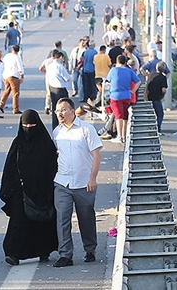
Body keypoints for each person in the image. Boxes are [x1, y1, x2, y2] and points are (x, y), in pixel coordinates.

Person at [0, 109, 59, 266]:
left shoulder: (46, 144)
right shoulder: (18, 144)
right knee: (18, 222)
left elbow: (53, 166)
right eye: (25, 125)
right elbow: (10, 168)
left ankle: (43, 250)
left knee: (43, 223)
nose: (28, 128)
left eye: (32, 125)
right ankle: (13, 253)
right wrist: (8, 190)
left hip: (44, 191)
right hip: (22, 191)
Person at [51, 98, 102, 268]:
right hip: (62, 182)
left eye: (64, 109)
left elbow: (96, 155)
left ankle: (90, 249)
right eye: (58, 110)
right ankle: (65, 254)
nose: (60, 113)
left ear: (72, 111)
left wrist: (93, 178)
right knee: (62, 218)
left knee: (86, 218)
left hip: (84, 183)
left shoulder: (86, 129)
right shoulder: (57, 132)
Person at [105, 55, 140, 144]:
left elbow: (107, 82)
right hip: (127, 96)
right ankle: (124, 136)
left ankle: (119, 136)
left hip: (115, 96)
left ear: (117, 62)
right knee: (125, 117)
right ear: (125, 62)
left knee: (118, 116)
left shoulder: (113, 70)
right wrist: (132, 91)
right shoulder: (129, 71)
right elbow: (138, 82)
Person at [43, 50, 72, 128]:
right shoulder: (60, 66)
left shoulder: (50, 66)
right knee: (64, 108)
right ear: (60, 57)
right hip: (60, 90)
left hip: (52, 89)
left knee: (55, 109)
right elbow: (67, 78)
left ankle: (55, 126)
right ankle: (64, 125)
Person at [0, 45, 25, 115]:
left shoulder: (7, 56)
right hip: (14, 76)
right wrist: (22, 76)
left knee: (7, 91)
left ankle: (1, 105)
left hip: (6, 76)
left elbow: (2, 64)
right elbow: (20, 67)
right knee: (16, 93)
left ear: (12, 49)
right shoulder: (17, 57)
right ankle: (15, 108)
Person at [144, 61, 168, 133]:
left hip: (147, 97)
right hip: (156, 98)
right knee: (160, 114)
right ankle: (158, 129)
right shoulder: (163, 77)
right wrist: (163, 94)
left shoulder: (150, 75)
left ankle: (149, 129)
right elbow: (163, 90)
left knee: (150, 114)